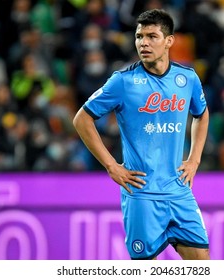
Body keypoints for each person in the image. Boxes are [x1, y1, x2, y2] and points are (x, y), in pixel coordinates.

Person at [73, 9, 210, 260]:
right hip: (141, 194)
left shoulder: (187, 78)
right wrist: (111, 165)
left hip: (179, 190)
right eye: (139, 36)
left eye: (151, 36)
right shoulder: (122, 81)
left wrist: (195, 159)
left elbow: (202, 114)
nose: (143, 43)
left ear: (169, 41)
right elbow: (82, 119)